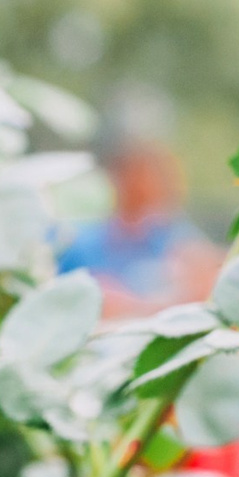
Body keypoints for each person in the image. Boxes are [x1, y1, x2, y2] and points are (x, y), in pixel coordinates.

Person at [58, 89, 219, 316]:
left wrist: (131, 306)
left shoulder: (181, 244)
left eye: (150, 169)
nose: (141, 183)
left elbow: (203, 298)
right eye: (133, 169)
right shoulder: (76, 243)